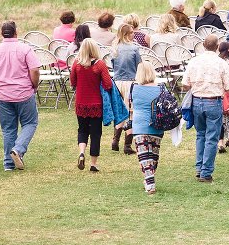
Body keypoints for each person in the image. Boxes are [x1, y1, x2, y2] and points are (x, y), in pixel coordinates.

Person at [0, 21, 40, 171]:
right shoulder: (25, 49)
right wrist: (34, 85)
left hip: (3, 95)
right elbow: (34, 70)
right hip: (23, 93)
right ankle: (18, 149)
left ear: (2, 33)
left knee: (8, 129)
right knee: (30, 123)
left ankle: (8, 163)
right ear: (16, 32)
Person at [181, 35, 229, 182]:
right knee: (211, 137)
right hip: (213, 101)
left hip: (197, 101)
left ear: (203, 45)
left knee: (200, 134)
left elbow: (185, 84)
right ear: (217, 46)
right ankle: (206, 172)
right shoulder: (221, 63)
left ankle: (199, 167)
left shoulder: (194, 61)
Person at [70, 38, 112, 172]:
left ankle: (82, 152)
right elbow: (108, 84)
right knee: (95, 133)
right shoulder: (99, 64)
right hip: (96, 104)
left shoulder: (76, 64)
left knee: (82, 130)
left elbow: (72, 82)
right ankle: (93, 163)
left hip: (81, 102)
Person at [131, 61, 165, 194]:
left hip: (139, 125)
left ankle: (148, 179)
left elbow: (131, 105)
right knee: (153, 156)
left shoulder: (134, 88)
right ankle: (150, 182)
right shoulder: (162, 88)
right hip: (157, 126)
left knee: (144, 156)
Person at [110, 24, 141, 154]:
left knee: (120, 111)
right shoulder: (134, 49)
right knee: (130, 113)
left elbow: (112, 65)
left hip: (117, 82)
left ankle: (115, 140)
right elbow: (139, 66)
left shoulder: (115, 48)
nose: (134, 34)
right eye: (132, 32)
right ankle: (127, 145)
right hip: (130, 82)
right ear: (127, 34)